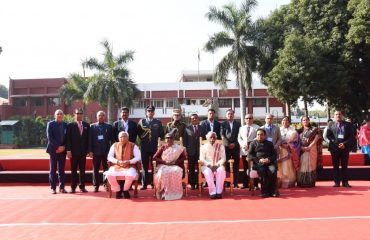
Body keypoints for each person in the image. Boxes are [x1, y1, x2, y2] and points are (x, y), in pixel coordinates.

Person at [105, 131, 141, 199]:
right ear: (118, 138)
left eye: (124, 136)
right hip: (117, 165)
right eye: (121, 137)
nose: (122, 138)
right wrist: (117, 161)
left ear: (128, 137)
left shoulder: (133, 145)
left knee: (130, 174)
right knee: (109, 174)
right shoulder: (114, 145)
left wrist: (129, 161)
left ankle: (125, 190)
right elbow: (109, 156)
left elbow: (138, 157)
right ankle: (118, 190)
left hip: (129, 166)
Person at [137, 105, 165, 190]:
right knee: (144, 166)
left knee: (155, 166)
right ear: (146, 112)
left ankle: (154, 183)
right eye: (148, 111)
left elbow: (161, 134)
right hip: (145, 147)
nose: (150, 113)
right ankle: (144, 184)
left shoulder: (158, 122)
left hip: (154, 147)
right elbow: (139, 132)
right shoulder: (142, 122)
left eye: (152, 111)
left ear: (154, 113)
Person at [153, 133, 187, 200]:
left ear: (173, 139)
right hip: (164, 165)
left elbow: (184, 157)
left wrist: (175, 162)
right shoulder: (162, 147)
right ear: (165, 139)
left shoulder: (178, 148)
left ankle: (174, 193)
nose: (169, 139)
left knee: (176, 171)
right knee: (163, 172)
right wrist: (165, 162)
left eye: (170, 138)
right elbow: (155, 157)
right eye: (167, 138)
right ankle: (163, 192)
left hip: (175, 165)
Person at [326, 110, 353, 188]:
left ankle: (345, 182)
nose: (338, 115)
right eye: (336, 114)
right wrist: (337, 143)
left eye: (340, 114)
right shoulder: (330, 124)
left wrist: (344, 143)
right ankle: (336, 182)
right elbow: (329, 135)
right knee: (335, 166)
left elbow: (351, 136)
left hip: (345, 147)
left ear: (342, 115)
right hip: (334, 148)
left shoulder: (348, 124)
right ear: (334, 116)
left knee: (344, 166)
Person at [248, 129, 278, 198]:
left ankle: (272, 191)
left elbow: (274, 155)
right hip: (258, 163)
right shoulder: (253, 143)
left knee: (273, 170)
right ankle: (264, 191)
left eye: (261, 134)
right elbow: (249, 155)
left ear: (265, 135)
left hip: (269, 162)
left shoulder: (269, 143)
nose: (260, 136)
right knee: (262, 171)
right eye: (258, 134)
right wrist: (259, 160)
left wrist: (268, 159)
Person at [88, 111, 113, 192]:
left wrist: (112, 152)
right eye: (99, 115)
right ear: (97, 117)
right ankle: (96, 186)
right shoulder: (92, 126)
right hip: (95, 152)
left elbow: (111, 140)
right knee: (95, 170)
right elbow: (90, 140)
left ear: (104, 117)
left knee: (106, 170)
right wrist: (90, 151)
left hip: (106, 152)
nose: (101, 117)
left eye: (102, 115)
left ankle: (106, 185)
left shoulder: (109, 127)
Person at [66, 108, 90, 193]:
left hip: (83, 152)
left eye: (80, 113)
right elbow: (68, 139)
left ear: (82, 115)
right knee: (73, 170)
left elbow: (88, 139)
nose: (79, 115)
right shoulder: (70, 125)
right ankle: (73, 187)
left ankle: (82, 186)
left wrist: (89, 150)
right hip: (73, 152)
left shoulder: (87, 125)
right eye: (77, 113)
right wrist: (68, 150)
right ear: (74, 114)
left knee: (82, 170)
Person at [199, 131, 226, 199]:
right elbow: (201, 158)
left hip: (218, 164)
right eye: (210, 137)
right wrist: (209, 165)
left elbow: (223, 157)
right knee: (208, 172)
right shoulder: (203, 147)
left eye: (214, 137)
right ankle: (212, 192)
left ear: (216, 138)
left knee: (221, 171)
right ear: (207, 138)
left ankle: (219, 191)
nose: (212, 139)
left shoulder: (220, 146)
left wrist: (217, 165)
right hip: (206, 165)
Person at [46, 109, 67, 194]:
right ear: (55, 115)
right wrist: (58, 147)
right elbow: (50, 137)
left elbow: (68, 138)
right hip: (53, 150)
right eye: (57, 114)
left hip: (63, 150)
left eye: (61, 114)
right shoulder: (50, 124)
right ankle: (53, 188)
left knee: (62, 170)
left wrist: (64, 147)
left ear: (63, 115)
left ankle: (62, 188)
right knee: (53, 170)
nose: (59, 115)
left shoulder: (66, 125)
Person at [297, 116, 322, 187]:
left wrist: (309, 147)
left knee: (311, 165)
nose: (305, 121)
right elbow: (296, 142)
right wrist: (302, 147)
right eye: (303, 120)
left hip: (311, 150)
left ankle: (310, 182)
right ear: (301, 122)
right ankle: (301, 182)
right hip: (302, 150)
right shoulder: (299, 131)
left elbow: (317, 139)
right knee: (302, 165)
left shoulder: (314, 130)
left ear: (309, 121)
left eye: (306, 120)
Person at [184, 113, 206, 189]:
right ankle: (192, 184)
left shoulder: (202, 128)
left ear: (198, 119)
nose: (194, 119)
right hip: (191, 152)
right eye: (192, 118)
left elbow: (204, 140)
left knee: (200, 168)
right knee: (192, 168)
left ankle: (199, 183)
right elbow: (185, 141)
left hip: (200, 152)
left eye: (196, 118)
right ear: (190, 119)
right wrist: (186, 151)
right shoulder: (187, 128)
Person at [237, 114, 259, 189]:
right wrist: (243, 145)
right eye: (247, 118)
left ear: (252, 119)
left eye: (250, 118)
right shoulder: (241, 128)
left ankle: (255, 185)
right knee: (245, 167)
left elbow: (257, 138)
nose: (248, 119)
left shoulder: (257, 127)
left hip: (254, 151)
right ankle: (245, 184)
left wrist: (250, 145)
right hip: (244, 150)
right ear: (245, 119)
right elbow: (239, 138)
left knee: (254, 167)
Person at [221, 109, 241, 188]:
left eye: (231, 114)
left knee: (236, 165)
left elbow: (240, 135)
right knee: (226, 165)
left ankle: (235, 183)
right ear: (226, 115)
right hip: (226, 147)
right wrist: (228, 144)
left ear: (233, 115)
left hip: (236, 147)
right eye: (228, 114)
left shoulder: (238, 124)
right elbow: (222, 135)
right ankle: (227, 182)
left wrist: (234, 144)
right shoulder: (223, 124)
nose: (230, 115)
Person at [278, 116, 297, 188]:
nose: (285, 122)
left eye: (286, 120)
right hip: (280, 149)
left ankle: (290, 182)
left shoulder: (292, 129)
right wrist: (281, 144)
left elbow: (295, 139)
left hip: (289, 149)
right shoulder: (278, 129)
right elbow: (276, 138)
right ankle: (281, 181)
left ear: (289, 122)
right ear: (281, 122)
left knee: (289, 165)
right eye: (283, 120)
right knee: (281, 166)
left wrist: (288, 144)